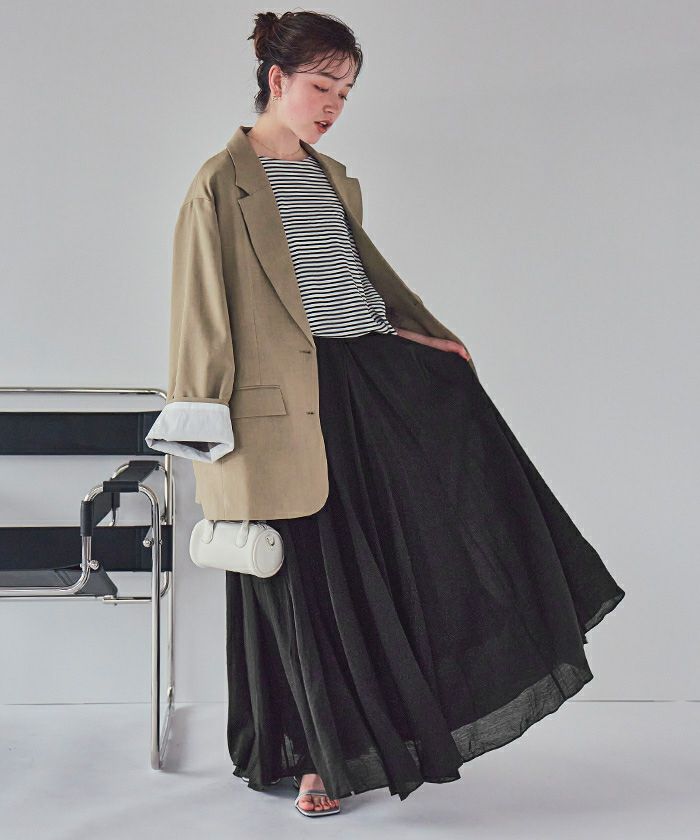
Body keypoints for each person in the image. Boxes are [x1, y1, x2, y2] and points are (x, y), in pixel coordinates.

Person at [149, 9, 626, 818]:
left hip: (366, 381)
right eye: (322, 86)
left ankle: (385, 734)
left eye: (346, 91)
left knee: (405, 555)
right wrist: (204, 430)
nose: (334, 105)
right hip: (285, 410)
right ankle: (316, 759)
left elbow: (353, 286)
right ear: (277, 79)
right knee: (310, 586)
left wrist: (419, 339)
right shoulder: (219, 183)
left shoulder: (332, 177)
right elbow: (202, 313)